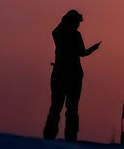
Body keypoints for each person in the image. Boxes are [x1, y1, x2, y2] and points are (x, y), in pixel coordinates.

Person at [43, 9, 100, 141]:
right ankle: (69, 136)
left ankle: (51, 135)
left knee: (57, 106)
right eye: (77, 22)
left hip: (61, 73)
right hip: (72, 74)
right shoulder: (74, 35)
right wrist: (93, 49)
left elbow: (54, 31)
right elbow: (82, 53)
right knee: (70, 108)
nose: (78, 25)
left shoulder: (59, 33)